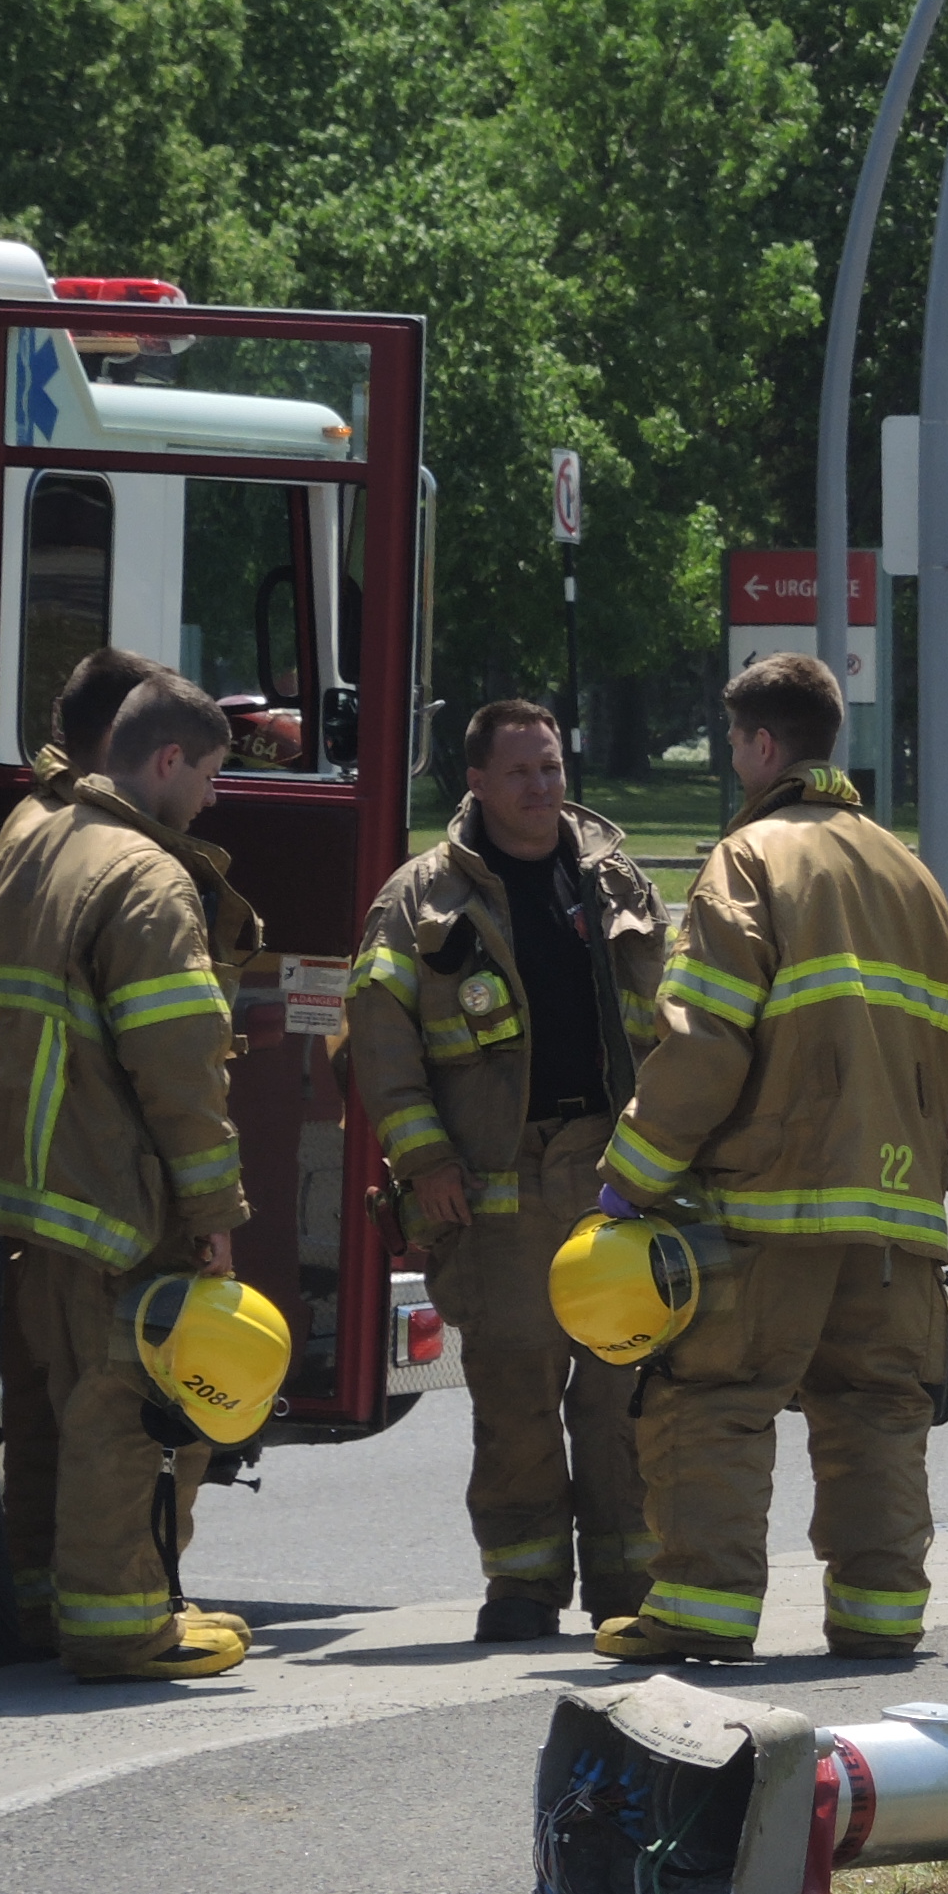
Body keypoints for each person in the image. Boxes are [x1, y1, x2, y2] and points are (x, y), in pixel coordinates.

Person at [589, 654, 948, 1661]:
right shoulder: (910, 873)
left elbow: (705, 1040)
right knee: (878, 1412)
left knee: (712, 1398)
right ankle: (879, 1619)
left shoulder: (748, 860)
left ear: (758, 745)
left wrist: (633, 1175)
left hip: (768, 1204)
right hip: (898, 1212)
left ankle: (702, 1617)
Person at [0, 672, 254, 1680]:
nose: (210, 798)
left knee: (46, 1408)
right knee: (136, 1404)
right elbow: (180, 1066)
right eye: (207, 775)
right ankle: (121, 1628)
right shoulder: (147, 879)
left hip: (20, 1189)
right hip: (111, 1194)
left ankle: (47, 1605)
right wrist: (211, 1210)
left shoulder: (30, 833)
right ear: (165, 761)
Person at [348, 697, 667, 1641]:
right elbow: (379, 1045)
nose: (542, 788)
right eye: (521, 772)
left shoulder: (616, 883)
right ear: (477, 782)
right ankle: (524, 1589)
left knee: (622, 1392)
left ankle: (631, 1586)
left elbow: (675, 1020)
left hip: (615, 1176)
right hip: (498, 1189)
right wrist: (424, 1156)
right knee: (516, 1392)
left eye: (554, 767)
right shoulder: (419, 902)